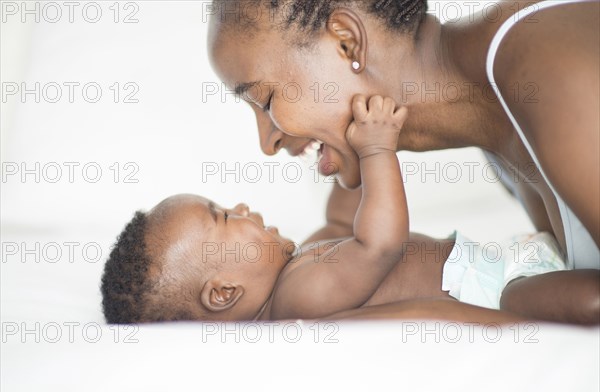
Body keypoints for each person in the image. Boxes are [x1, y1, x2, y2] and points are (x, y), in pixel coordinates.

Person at [206, 0, 600, 318]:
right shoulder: (497, 121)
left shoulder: (550, 70)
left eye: (266, 100)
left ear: (347, 43)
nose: (267, 143)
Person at [101, 96, 597, 324]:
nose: (243, 205)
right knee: (567, 301)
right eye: (225, 217)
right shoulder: (300, 297)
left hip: (500, 261)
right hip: (498, 291)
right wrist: (379, 150)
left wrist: (342, 157)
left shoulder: (301, 268)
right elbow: (378, 244)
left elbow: (344, 221)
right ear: (225, 291)